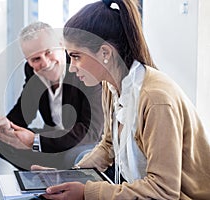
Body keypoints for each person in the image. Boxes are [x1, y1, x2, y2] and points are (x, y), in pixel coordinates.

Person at [42, 0, 210, 199]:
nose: (71, 67)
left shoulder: (156, 100)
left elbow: (164, 191)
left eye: (76, 56)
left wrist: (88, 192)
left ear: (105, 52)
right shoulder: (110, 85)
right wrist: (68, 176)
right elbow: (108, 145)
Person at [0, 21, 104, 170]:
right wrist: (5, 126)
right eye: (35, 59)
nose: (45, 63)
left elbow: (90, 131)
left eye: (48, 52)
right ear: (28, 61)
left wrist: (35, 141)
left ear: (61, 45)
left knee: (72, 156)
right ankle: (41, 174)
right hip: (53, 141)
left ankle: (53, 172)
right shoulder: (32, 71)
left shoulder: (82, 67)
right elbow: (23, 112)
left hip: (84, 142)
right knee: (2, 143)